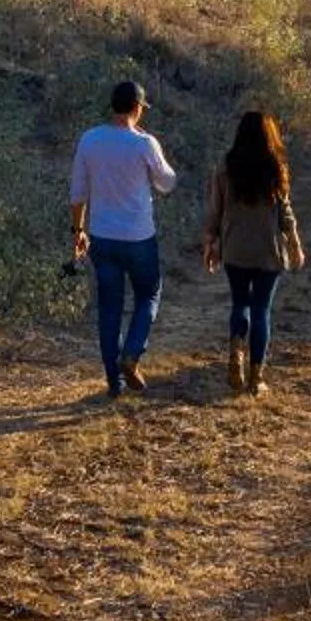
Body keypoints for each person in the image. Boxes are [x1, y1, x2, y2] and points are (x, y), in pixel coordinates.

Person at [69, 78, 178, 398]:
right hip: (139, 237)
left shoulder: (89, 140)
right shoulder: (144, 144)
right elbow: (167, 184)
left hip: (102, 237)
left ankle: (114, 383)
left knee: (109, 309)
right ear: (136, 109)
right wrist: (153, 150)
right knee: (149, 295)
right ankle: (132, 353)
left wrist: (79, 234)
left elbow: (77, 194)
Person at [200, 108, 305, 396]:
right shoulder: (275, 166)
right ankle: (256, 377)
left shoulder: (225, 167)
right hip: (267, 251)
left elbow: (214, 210)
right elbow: (285, 212)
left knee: (239, 304)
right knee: (261, 311)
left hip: (234, 249)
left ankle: (236, 351)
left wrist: (210, 243)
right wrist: (294, 243)